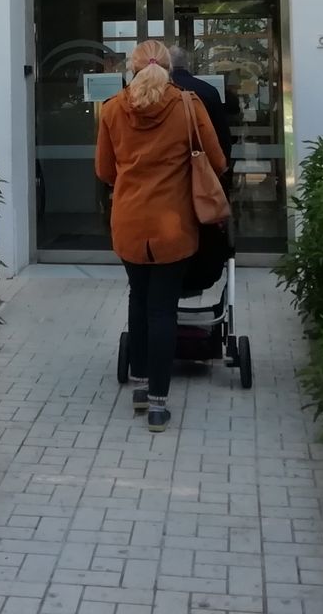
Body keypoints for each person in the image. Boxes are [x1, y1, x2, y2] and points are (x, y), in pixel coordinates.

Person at [95, 40, 227, 433]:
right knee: (162, 308)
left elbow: (104, 170)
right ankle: (157, 404)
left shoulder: (113, 108)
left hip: (130, 222)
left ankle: (138, 386)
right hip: (175, 224)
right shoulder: (188, 104)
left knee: (138, 297)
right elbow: (217, 161)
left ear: (130, 69)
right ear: (168, 67)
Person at [168, 46, 233, 192]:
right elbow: (221, 132)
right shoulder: (208, 90)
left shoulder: (160, 93)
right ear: (188, 64)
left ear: (167, 65)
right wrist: (223, 164)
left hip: (171, 172)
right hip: (205, 166)